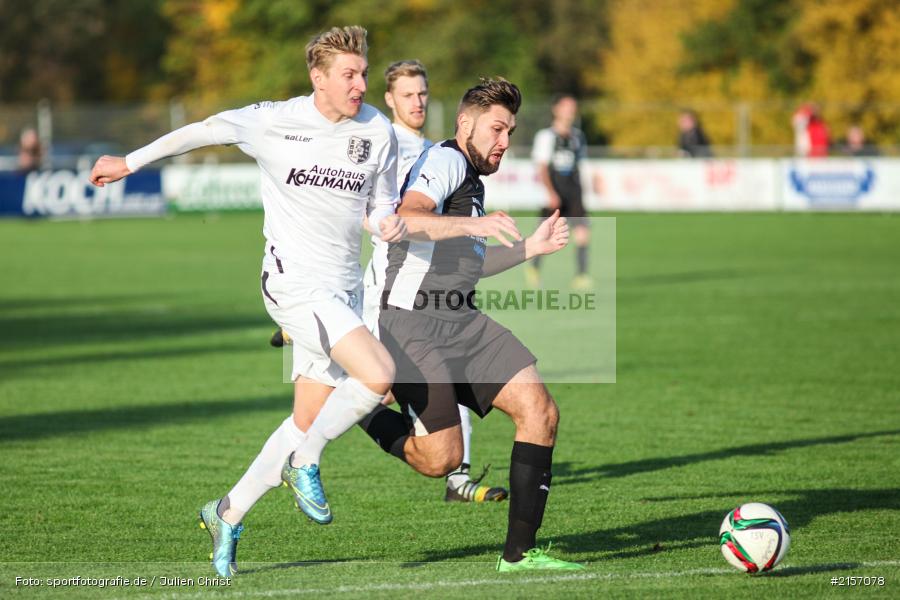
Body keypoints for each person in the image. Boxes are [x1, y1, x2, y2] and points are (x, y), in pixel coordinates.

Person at [89, 26, 407, 578]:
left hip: (343, 289)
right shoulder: (274, 120)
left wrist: (387, 222)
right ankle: (304, 465)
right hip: (293, 286)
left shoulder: (377, 129)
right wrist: (131, 162)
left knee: (307, 419)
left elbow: (378, 206)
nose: (361, 85)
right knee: (378, 375)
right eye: (348, 75)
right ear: (319, 77)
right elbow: (203, 130)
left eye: (362, 73)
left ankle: (227, 512)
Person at [363, 77, 584, 571]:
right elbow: (409, 216)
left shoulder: (472, 182)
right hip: (411, 322)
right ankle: (364, 410)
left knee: (540, 411)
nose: (504, 142)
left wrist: (531, 248)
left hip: (461, 320)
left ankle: (520, 556)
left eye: (510, 131)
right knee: (439, 459)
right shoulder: (445, 161)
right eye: (496, 129)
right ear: (466, 123)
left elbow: (472, 263)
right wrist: (473, 224)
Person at [272, 60, 508, 503]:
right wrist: (384, 225)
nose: (417, 101)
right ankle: (285, 469)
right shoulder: (380, 140)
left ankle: (455, 477)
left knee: (420, 384)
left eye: (423, 93)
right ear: (390, 100)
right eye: (407, 95)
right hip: (389, 285)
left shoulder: (435, 149)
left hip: (424, 288)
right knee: (362, 391)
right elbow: (351, 203)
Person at [528, 94, 591, 290]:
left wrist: (583, 191)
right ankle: (534, 268)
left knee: (582, 233)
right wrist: (550, 193)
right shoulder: (546, 136)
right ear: (556, 110)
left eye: (573, 107)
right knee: (546, 233)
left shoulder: (578, 136)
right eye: (566, 107)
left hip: (573, 192)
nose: (570, 111)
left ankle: (581, 276)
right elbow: (542, 168)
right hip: (555, 190)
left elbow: (579, 165)